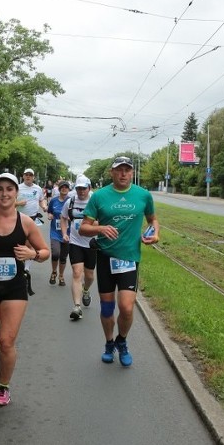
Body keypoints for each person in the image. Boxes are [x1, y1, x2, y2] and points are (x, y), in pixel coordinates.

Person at [0, 172, 50, 406]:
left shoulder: (25, 222)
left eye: (9, 189)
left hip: (15, 288)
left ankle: (3, 386)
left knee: (7, 341)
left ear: (16, 193)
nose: (4, 193)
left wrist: (32, 253)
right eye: (0, 189)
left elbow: (45, 252)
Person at [79, 156, 159, 367]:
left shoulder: (143, 195)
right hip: (105, 258)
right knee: (107, 308)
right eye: (119, 170)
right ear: (111, 172)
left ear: (132, 173)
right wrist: (100, 228)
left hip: (130, 259)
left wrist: (155, 233)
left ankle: (121, 341)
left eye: (127, 170)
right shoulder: (100, 196)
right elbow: (83, 228)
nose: (123, 173)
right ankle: (108, 343)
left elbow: (153, 219)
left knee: (126, 307)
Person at [60, 175, 96, 321]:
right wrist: (64, 233)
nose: (81, 191)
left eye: (84, 188)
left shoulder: (95, 201)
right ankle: (77, 306)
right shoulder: (71, 201)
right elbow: (63, 217)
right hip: (75, 242)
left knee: (89, 276)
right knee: (76, 273)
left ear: (89, 188)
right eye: (79, 188)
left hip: (92, 243)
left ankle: (86, 290)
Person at [16, 168, 47, 295]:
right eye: (26, 175)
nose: (28, 177)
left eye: (30, 175)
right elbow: (10, 201)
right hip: (18, 219)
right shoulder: (18, 188)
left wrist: (44, 206)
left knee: (30, 244)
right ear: (23, 176)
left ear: (33, 177)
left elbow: (41, 199)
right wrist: (18, 203)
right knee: (19, 244)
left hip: (33, 220)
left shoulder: (38, 189)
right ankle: (19, 266)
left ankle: (26, 269)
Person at [46, 179, 71, 287]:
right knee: (56, 253)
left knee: (63, 256)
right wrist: (50, 216)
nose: (64, 189)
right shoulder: (54, 201)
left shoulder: (71, 201)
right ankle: (54, 271)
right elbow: (49, 212)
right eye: (62, 187)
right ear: (59, 189)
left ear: (68, 189)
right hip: (55, 232)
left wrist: (70, 218)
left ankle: (61, 275)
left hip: (68, 232)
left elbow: (75, 215)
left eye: (66, 187)